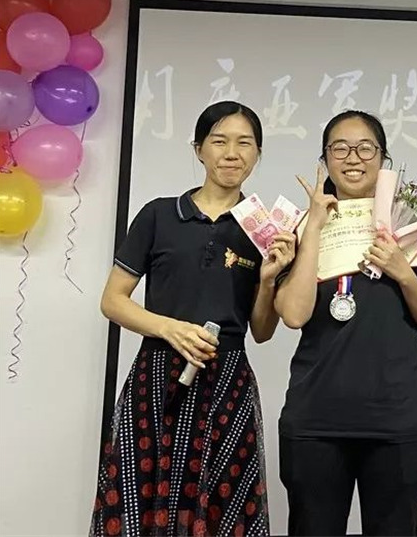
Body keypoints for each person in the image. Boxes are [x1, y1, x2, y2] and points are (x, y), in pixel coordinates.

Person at [90, 101, 296, 537]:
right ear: (199, 149)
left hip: (228, 383)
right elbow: (113, 301)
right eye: (219, 141)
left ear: (258, 153)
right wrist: (170, 328)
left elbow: (262, 331)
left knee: (224, 505)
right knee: (141, 498)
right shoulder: (159, 214)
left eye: (245, 143)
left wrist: (268, 281)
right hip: (157, 377)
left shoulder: (265, 231)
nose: (232, 153)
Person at [274, 110, 417, 536]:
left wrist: (403, 272)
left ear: (383, 158)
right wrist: (314, 228)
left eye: (365, 148)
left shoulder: (411, 224)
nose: (353, 158)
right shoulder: (299, 226)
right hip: (316, 421)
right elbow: (294, 314)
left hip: (396, 420)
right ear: (324, 160)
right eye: (340, 148)